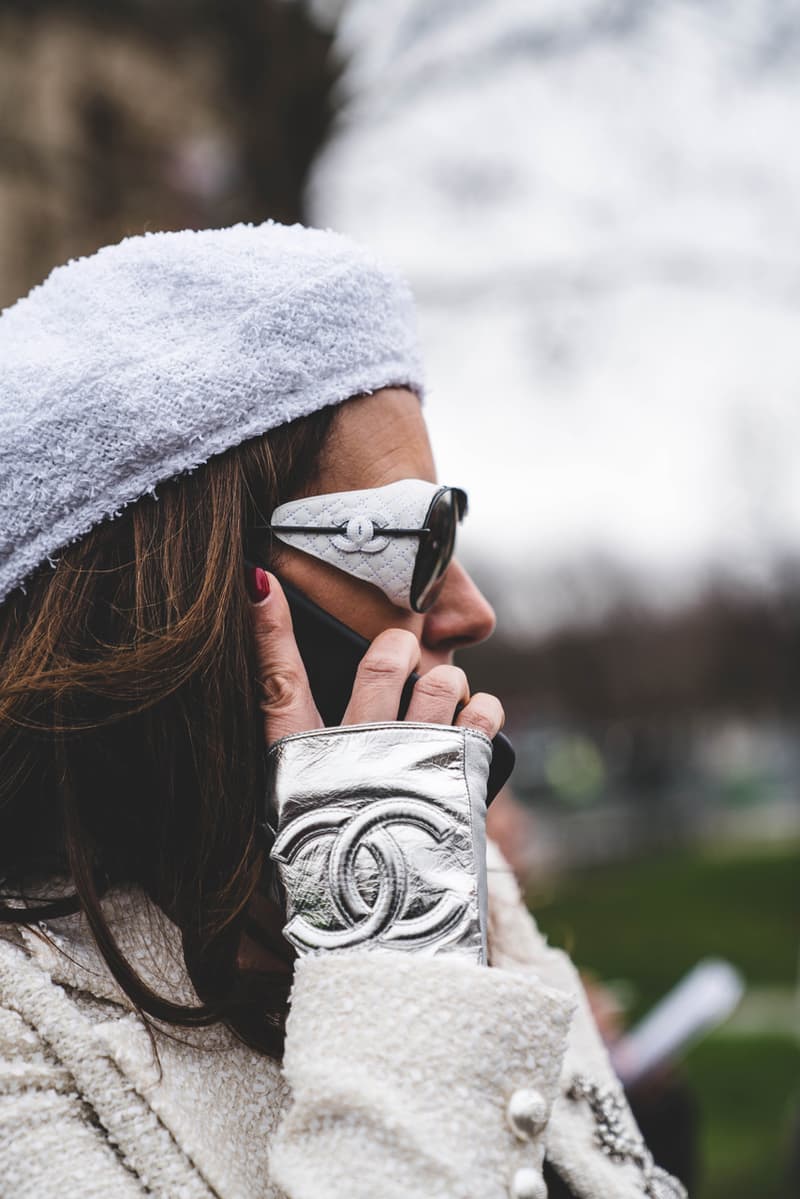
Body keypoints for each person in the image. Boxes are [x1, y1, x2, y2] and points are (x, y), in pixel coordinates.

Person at [0, 223, 686, 1199]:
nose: (468, 607)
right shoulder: (22, 1026)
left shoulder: (446, 859)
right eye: (408, 536)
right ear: (181, 593)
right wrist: (397, 938)